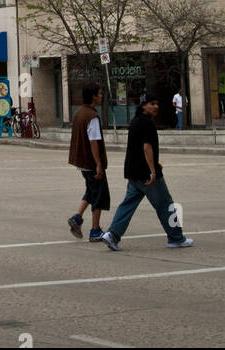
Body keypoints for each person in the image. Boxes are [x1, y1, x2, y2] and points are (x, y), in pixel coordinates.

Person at [102, 92, 193, 251]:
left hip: (134, 172)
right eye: (152, 104)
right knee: (166, 204)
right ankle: (176, 238)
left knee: (128, 204)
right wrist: (153, 171)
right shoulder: (146, 123)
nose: (156, 106)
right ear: (144, 105)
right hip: (146, 174)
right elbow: (146, 147)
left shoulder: (136, 121)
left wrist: (155, 163)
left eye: (157, 103)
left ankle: (112, 235)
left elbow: (138, 149)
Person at [67, 82, 110, 242]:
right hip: (90, 162)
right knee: (99, 194)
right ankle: (95, 230)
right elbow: (94, 142)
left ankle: (77, 217)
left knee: (91, 190)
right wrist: (98, 164)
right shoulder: (92, 116)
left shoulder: (79, 112)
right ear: (93, 96)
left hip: (81, 162)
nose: (101, 96)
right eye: (99, 93)